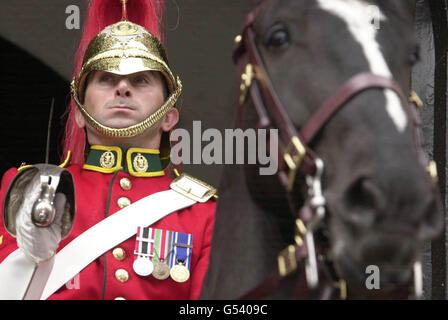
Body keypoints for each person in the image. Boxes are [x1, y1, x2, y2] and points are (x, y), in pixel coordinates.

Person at [0, 0, 216, 300]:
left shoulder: (203, 213)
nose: (123, 88)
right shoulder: (26, 188)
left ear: (169, 116)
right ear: (78, 111)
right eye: (106, 79)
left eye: (141, 79)